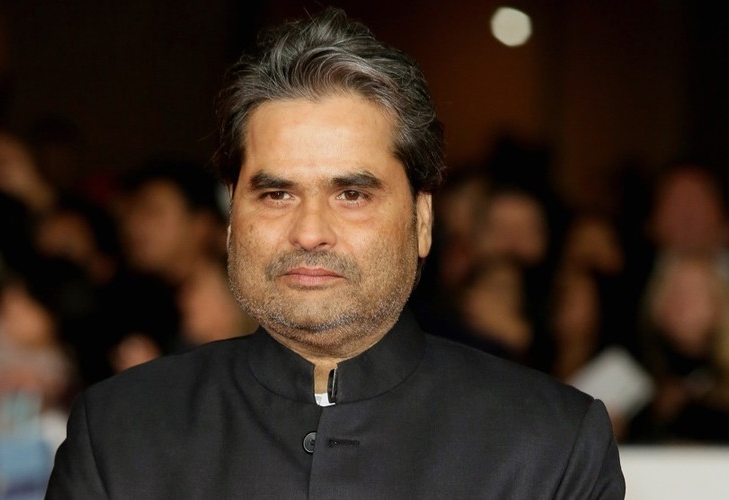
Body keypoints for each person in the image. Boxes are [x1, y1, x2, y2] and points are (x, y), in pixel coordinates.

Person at [46, 8, 624, 498]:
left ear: (422, 220)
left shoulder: (550, 446)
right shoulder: (119, 434)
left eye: (352, 195)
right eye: (276, 194)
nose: (309, 232)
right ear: (231, 220)